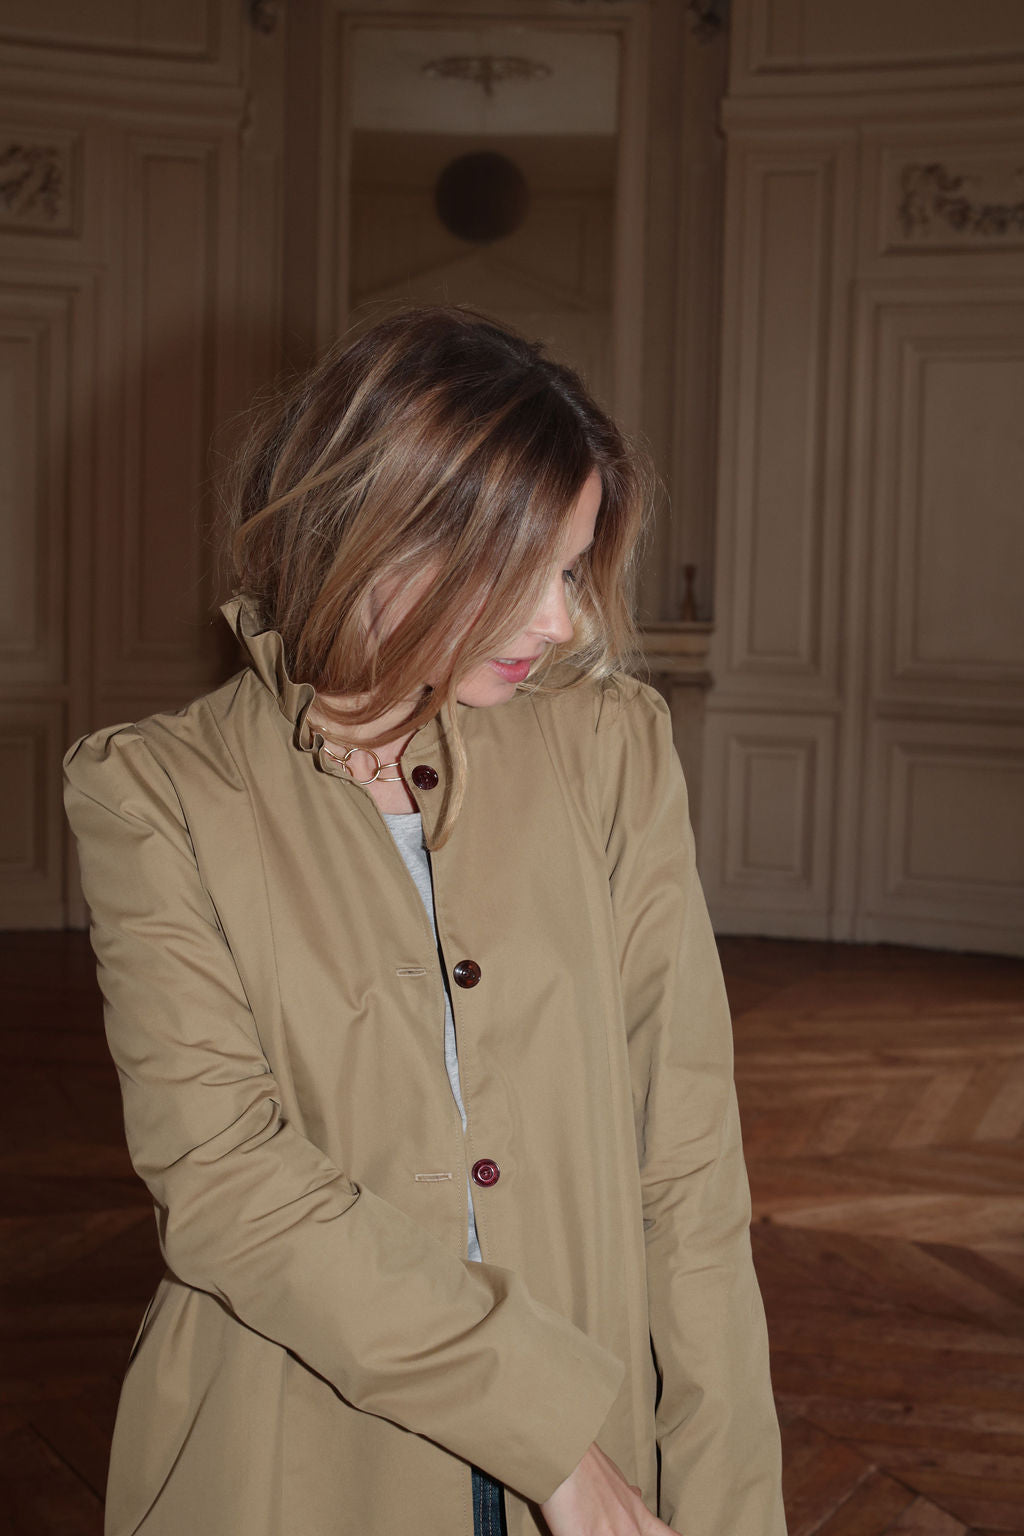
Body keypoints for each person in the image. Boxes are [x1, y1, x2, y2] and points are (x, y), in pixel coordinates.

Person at [63, 306, 786, 1536]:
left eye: (572, 570)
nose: (563, 622)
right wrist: (550, 1439)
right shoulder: (155, 793)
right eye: (526, 572)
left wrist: (726, 1509)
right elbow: (228, 1184)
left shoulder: (610, 750)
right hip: (293, 1455)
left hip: (607, 1425)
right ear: (382, 536)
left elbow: (688, 1167)